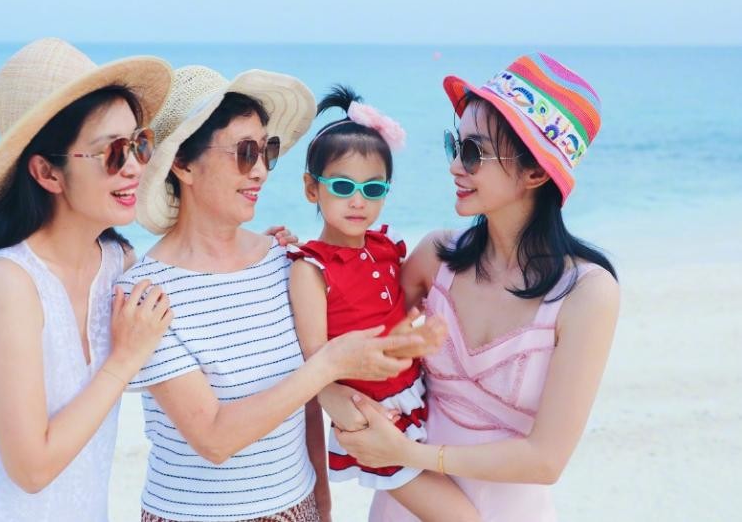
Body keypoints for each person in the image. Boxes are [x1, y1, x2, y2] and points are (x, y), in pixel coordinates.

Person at [119, 66, 439, 522]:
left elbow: (305, 403)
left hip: (297, 507)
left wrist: (321, 503)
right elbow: (214, 439)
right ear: (183, 164)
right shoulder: (146, 293)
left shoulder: (282, 260)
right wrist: (330, 364)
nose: (261, 171)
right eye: (244, 153)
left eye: (266, 151)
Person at [330, 53, 620, 521]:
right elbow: (352, 334)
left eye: (474, 153)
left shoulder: (587, 293)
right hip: (405, 505)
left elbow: (546, 461)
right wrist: (295, 258)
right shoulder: (435, 257)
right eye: (455, 145)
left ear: (535, 172)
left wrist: (407, 454)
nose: (454, 167)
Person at [0, 38, 174, 521]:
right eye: (112, 153)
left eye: (139, 144)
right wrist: (122, 361)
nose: (135, 167)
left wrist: (254, 251)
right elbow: (31, 468)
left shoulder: (117, 263)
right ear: (46, 173)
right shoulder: (7, 283)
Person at [288, 85, 479, 521]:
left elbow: (394, 319)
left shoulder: (385, 248)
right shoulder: (311, 267)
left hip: (416, 396)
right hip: (371, 415)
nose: (358, 201)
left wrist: (416, 337)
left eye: (373, 189)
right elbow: (316, 357)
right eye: (342, 186)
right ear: (311, 188)